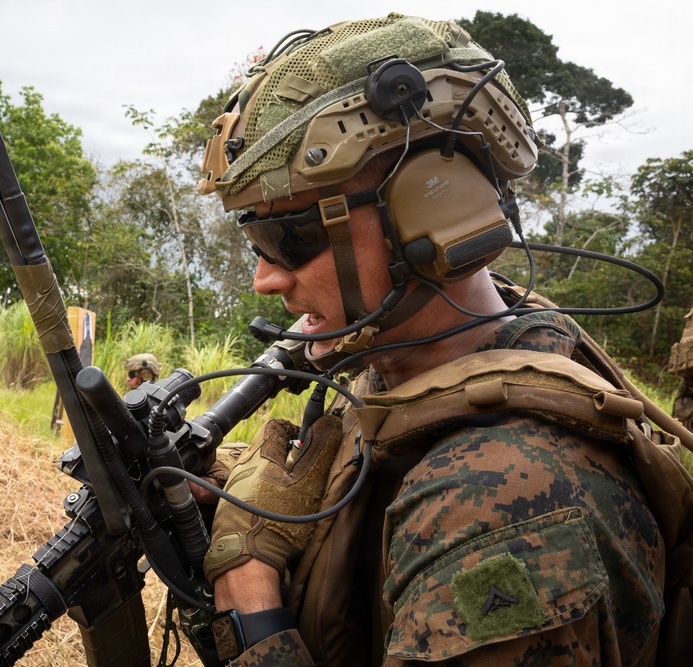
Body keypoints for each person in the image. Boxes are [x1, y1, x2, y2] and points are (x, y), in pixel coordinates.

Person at [194, 13, 693, 667]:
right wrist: (230, 483)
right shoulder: (425, 358)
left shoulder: (501, 515)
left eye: (288, 238)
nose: (265, 278)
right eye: (252, 238)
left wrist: (250, 603)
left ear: (436, 210)